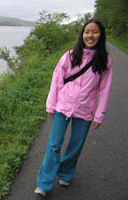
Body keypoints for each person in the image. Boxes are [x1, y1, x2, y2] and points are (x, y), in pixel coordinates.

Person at [34, 19, 113, 197]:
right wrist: (51, 104)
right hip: (62, 106)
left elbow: (105, 89)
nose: (90, 35)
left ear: (101, 35)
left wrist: (99, 114)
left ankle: (65, 173)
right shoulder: (70, 55)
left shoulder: (105, 61)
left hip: (85, 110)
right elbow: (57, 79)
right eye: (87, 32)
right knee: (54, 145)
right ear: (82, 34)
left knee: (75, 146)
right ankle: (44, 184)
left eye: (94, 32)